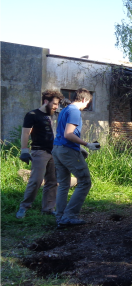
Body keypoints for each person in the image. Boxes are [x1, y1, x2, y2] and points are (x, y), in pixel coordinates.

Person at [53, 88, 100, 227]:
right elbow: (68, 134)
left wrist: (79, 147)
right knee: (85, 181)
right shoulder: (74, 111)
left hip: (57, 149)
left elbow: (62, 134)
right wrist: (87, 144)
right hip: (67, 151)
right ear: (84, 100)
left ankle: (60, 216)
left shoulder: (64, 110)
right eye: (88, 103)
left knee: (64, 184)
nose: (86, 106)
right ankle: (69, 216)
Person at [15, 90, 63, 219]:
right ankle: (24, 207)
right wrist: (24, 150)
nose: (56, 107)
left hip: (54, 152)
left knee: (53, 181)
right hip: (39, 151)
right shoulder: (32, 115)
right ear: (46, 101)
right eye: (54, 104)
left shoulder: (54, 115)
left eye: (57, 104)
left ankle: (48, 209)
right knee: (35, 181)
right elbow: (25, 133)